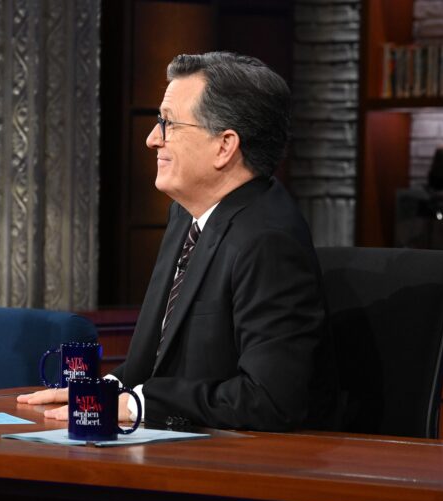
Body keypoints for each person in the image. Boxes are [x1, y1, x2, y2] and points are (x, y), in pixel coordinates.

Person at [19, 52, 338, 431]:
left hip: (234, 458)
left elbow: (269, 399)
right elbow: (149, 363)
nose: (152, 139)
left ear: (224, 146)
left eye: (168, 124)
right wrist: (103, 390)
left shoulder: (269, 240)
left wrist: (136, 405)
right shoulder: (185, 215)